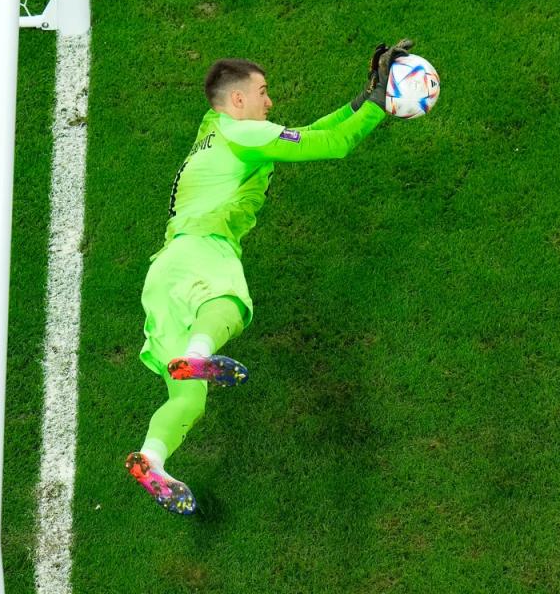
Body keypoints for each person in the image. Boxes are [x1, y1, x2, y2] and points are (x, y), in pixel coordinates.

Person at [125, 39, 415, 514]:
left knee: (188, 399)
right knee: (230, 305)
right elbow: (332, 145)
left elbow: (302, 134)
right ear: (237, 100)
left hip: (163, 273)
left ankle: (152, 459)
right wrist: (380, 107)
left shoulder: (215, 130)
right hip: (204, 247)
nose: (270, 101)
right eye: (263, 91)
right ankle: (199, 354)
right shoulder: (245, 135)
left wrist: (359, 101)